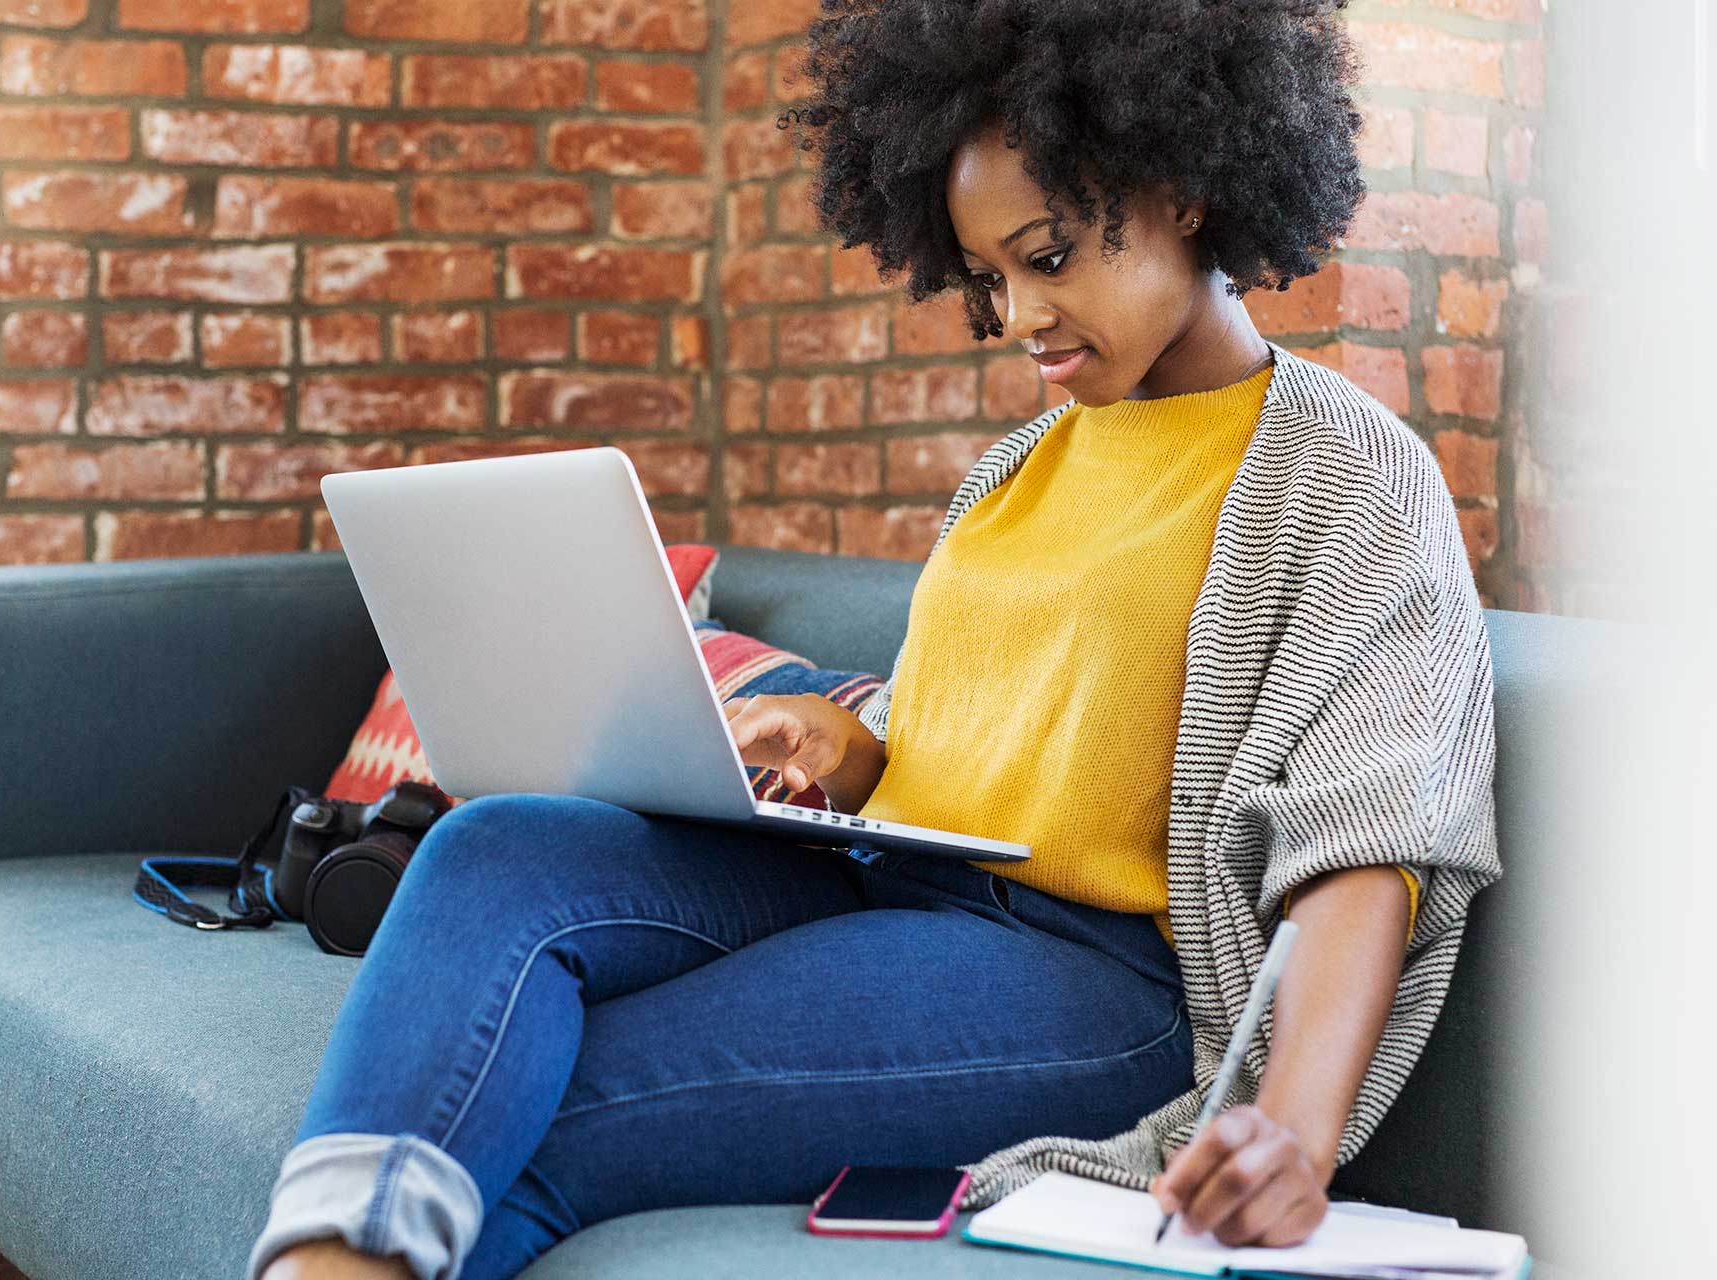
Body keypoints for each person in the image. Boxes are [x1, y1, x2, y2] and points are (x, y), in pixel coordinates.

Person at [246, 2, 1500, 1277]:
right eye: (992, 276)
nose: (1019, 317)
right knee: (493, 845)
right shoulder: (1019, 466)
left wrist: (1291, 1122)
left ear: (1181, 191)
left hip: (1081, 976)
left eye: (1050, 255)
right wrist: (849, 752)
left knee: (541, 1101)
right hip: (882, 878)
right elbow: (965, 731)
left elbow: (1369, 834)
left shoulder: (1346, 476)